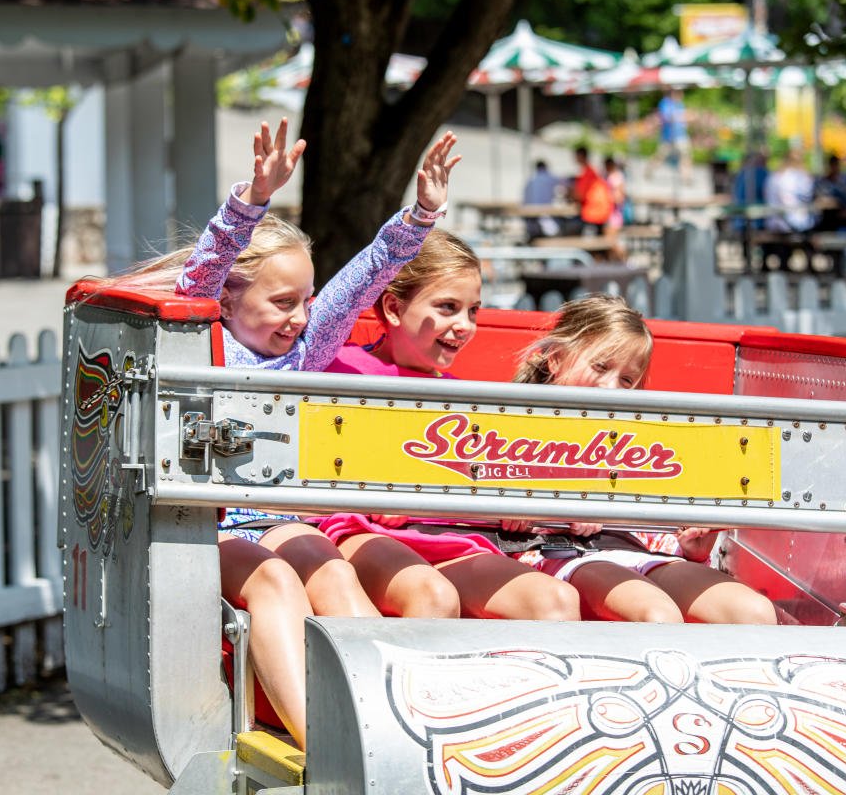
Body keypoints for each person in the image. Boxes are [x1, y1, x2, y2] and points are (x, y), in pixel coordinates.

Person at [104, 118, 460, 748]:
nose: (300, 318)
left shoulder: (299, 351)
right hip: (206, 524)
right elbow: (205, 272)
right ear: (229, 304)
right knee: (273, 581)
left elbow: (364, 277)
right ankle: (323, 744)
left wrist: (421, 214)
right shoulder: (202, 342)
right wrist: (250, 203)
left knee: (329, 569)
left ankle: (391, 729)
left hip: (273, 517)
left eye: (305, 301)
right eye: (282, 303)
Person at [317, 232, 581, 622]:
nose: (464, 325)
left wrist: (514, 503)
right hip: (363, 532)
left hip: (448, 537)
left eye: (472, 311)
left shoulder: (465, 401)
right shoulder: (340, 368)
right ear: (392, 307)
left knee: (554, 600)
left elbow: (488, 477)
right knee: (432, 595)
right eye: (447, 308)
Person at [508, 294, 779, 625]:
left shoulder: (641, 442)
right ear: (555, 360)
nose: (612, 389)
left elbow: (657, 534)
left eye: (626, 380)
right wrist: (538, 507)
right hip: (560, 552)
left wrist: (694, 548)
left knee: (753, 613)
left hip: (639, 553)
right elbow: (477, 509)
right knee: (655, 615)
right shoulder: (516, 430)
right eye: (600, 367)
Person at [763, 151, 815, 233]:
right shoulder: (795, 175)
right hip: (789, 222)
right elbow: (806, 196)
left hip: (774, 220)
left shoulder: (776, 175)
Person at [572, 146, 613, 234]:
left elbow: (581, 195)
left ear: (581, 156)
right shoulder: (590, 171)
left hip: (593, 214)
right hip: (598, 213)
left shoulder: (588, 172)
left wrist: (570, 194)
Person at [657, 89, 691, 182]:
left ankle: (685, 177)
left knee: (685, 156)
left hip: (681, 135)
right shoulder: (665, 103)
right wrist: (680, 116)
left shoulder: (680, 104)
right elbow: (667, 118)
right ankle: (649, 170)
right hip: (668, 137)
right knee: (661, 157)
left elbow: (684, 119)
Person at [522, 160, 562, 239]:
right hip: (545, 217)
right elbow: (565, 184)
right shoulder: (550, 177)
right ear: (546, 167)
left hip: (532, 218)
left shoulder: (530, 181)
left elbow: (524, 201)